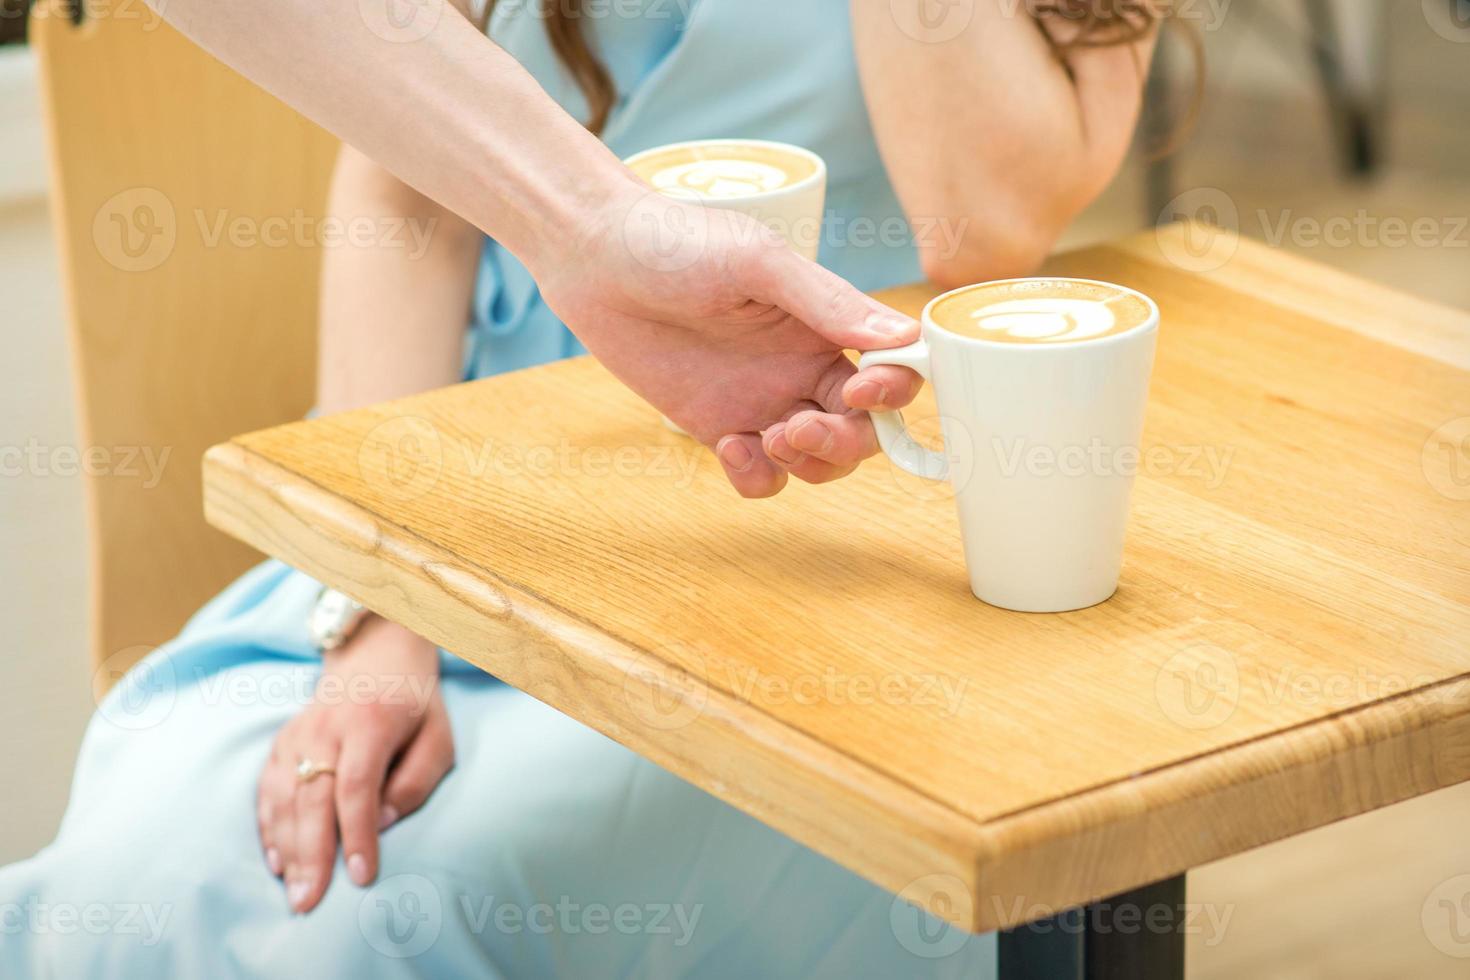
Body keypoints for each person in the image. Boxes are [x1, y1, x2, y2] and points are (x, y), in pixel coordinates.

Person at [1, 1, 1170, 975]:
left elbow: (987, 222)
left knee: (376, 914)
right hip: (470, 501)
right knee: (148, 857)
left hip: (831, 560)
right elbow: (405, 194)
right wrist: (381, 588)